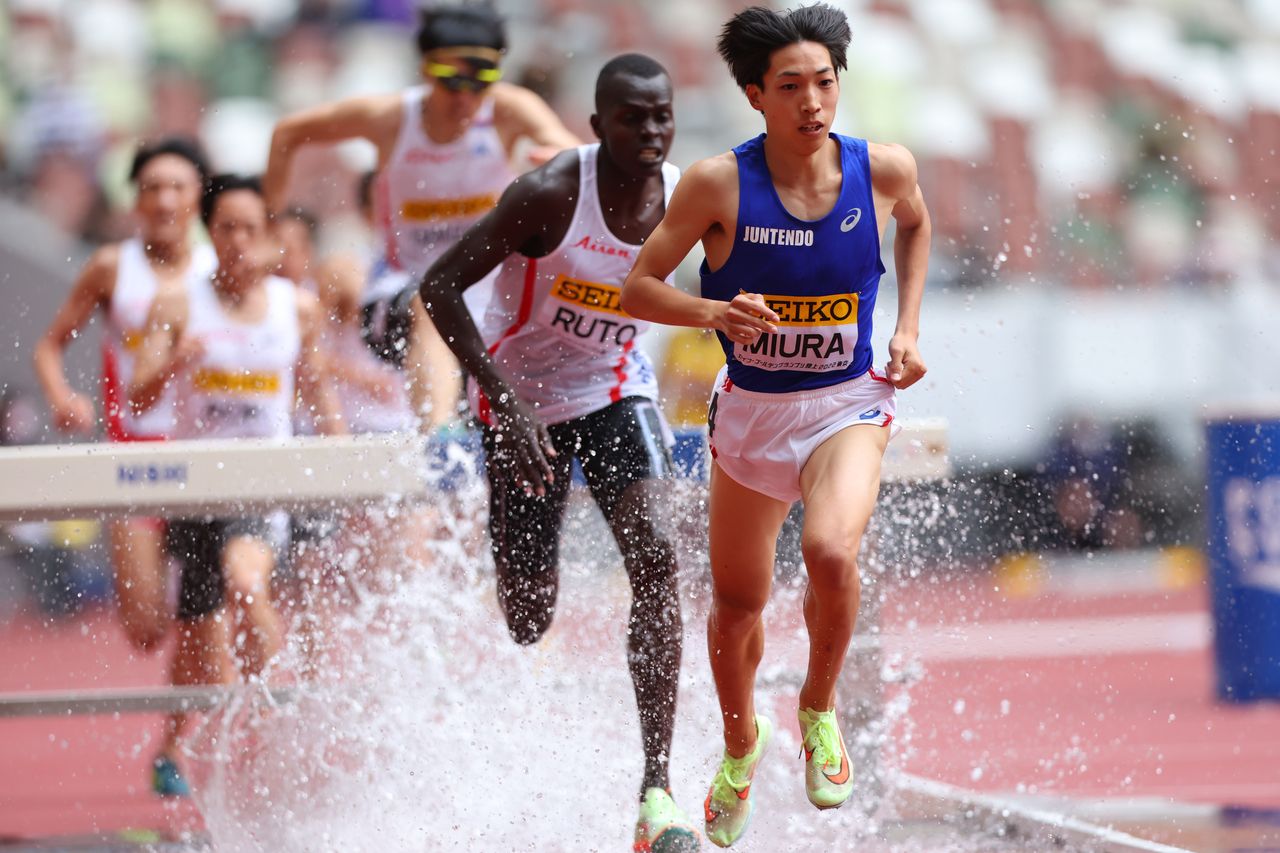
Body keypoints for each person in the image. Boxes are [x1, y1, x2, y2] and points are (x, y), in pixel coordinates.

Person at [619, 5, 930, 846]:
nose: (811, 102)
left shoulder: (883, 169)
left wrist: (904, 330)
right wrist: (715, 309)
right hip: (754, 413)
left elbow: (917, 225)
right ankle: (738, 743)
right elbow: (638, 288)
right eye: (789, 86)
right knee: (736, 602)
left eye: (824, 83)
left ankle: (819, 709)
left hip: (847, 403)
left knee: (831, 552)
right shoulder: (719, 184)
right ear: (757, 95)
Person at [418, 54, 698, 852]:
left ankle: (657, 791)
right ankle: (518, 560)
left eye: (662, 116)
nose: (650, 131)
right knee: (529, 617)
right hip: (520, 407)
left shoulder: (687, 198)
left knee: (657, 555)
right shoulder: (549, 195)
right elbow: (438, 287)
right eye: (633, 117)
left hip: (616, 392)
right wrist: (503, 403)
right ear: (598, 126)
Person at [263, 3, 578, 425]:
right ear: (426, 71)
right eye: (452, 83)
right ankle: (437, 443)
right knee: (432, 302)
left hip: (486, 296)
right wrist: (270, 228)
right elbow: (288, 133)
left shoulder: (508, 109)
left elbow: (579, 161)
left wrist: (557, 160)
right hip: (400, 292)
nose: (465, 99)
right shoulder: (390, 119)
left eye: (479, 83)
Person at [130, 174, 341, 796]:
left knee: (246, 582)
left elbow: (318, 388)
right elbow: (140, 395)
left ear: (270, 236)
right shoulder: (175, 303)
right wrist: (175, 361)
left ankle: (281, 715)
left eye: (252, 229)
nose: (239, 241)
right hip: (197, 490)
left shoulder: (296, 307)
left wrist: (341, 459)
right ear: (210, 230)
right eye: (226, 228)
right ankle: (171, 743)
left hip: (263, 486)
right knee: (197, 637)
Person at [32, 136, 216, 652]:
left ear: (197, 198)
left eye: (176, 187)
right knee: (145, 629)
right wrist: (62, 396)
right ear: (135, 200)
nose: (164, 201)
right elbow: (49, 346)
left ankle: (185, 730)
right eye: (151, 188)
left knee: (207, 620)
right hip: (134, 456)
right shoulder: (112, 267)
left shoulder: (216, 269)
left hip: (206, 451)